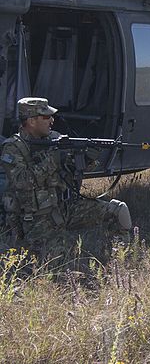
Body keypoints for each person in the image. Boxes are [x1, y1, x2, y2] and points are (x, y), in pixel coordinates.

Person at [0, 97, 131, 258]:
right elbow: (22, 181)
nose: (52, 120)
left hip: (63, 209)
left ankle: (120, 258)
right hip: (35, 220)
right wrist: (52, 160)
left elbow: (73, 168)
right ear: (31, 121)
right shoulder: (13, 147)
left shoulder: (55, 138)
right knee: (57, 264)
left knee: (118, 211)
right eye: (47, 117)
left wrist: (87, 159)